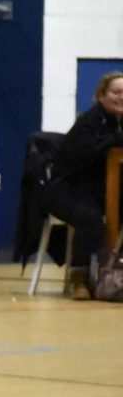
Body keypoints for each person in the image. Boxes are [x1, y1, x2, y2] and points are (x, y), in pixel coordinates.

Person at [43, 72, 123, 296]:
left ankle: (115, 272)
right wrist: (112, 141)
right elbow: (82, 153)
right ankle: (79, 276)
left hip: (99, 191)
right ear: (101, 96)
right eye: (117, 92)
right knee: (90, 215)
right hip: (67, 189)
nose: (122, 97)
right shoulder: (88, 122)